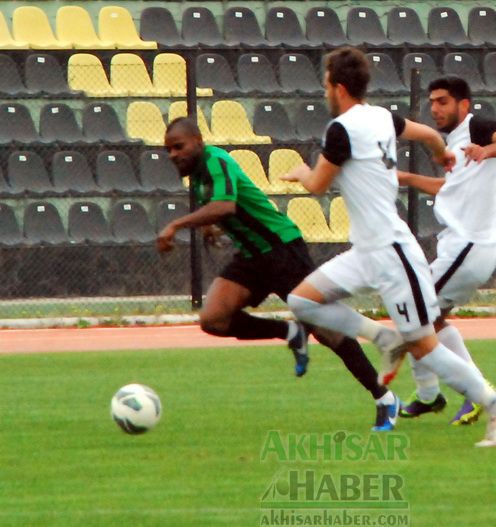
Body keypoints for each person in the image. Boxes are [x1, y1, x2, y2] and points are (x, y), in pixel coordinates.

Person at [283, 47, 496, 447]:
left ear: (337, 86)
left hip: (392, 254)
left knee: (426, 346)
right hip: (366, 251)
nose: (325, 89)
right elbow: (428, 134)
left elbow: (318, 185)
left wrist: (301, 172)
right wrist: (441, 154)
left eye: (326, 83)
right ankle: (383, 339)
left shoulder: (340, 129)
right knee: (302, 301)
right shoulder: (381, 117)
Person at [157, 117, 399, 431]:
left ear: (199, 141)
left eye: (179, 146)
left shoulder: (216, 160)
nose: (173, 154)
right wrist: (206, 224)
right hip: (252, 257)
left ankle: (384, 397)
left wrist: (177, 224)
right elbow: (223, 206)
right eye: (168, 150)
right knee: (213, 318)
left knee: (327, 330)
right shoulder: (199, 176)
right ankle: (289, 333)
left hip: (281, 250)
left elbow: (225, 206)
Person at [396, 77, 496, 426]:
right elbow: (449, 187)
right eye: (432, 102)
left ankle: (471, 395)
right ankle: (433, 395)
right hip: (463, 247)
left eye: (443, 101)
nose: (435, 108)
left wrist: (486, 149)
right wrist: (406, 178)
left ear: (464, 105)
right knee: (429, 319)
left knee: (413, 315)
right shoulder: (454, 142)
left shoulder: (478, 128)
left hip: (470, 246)